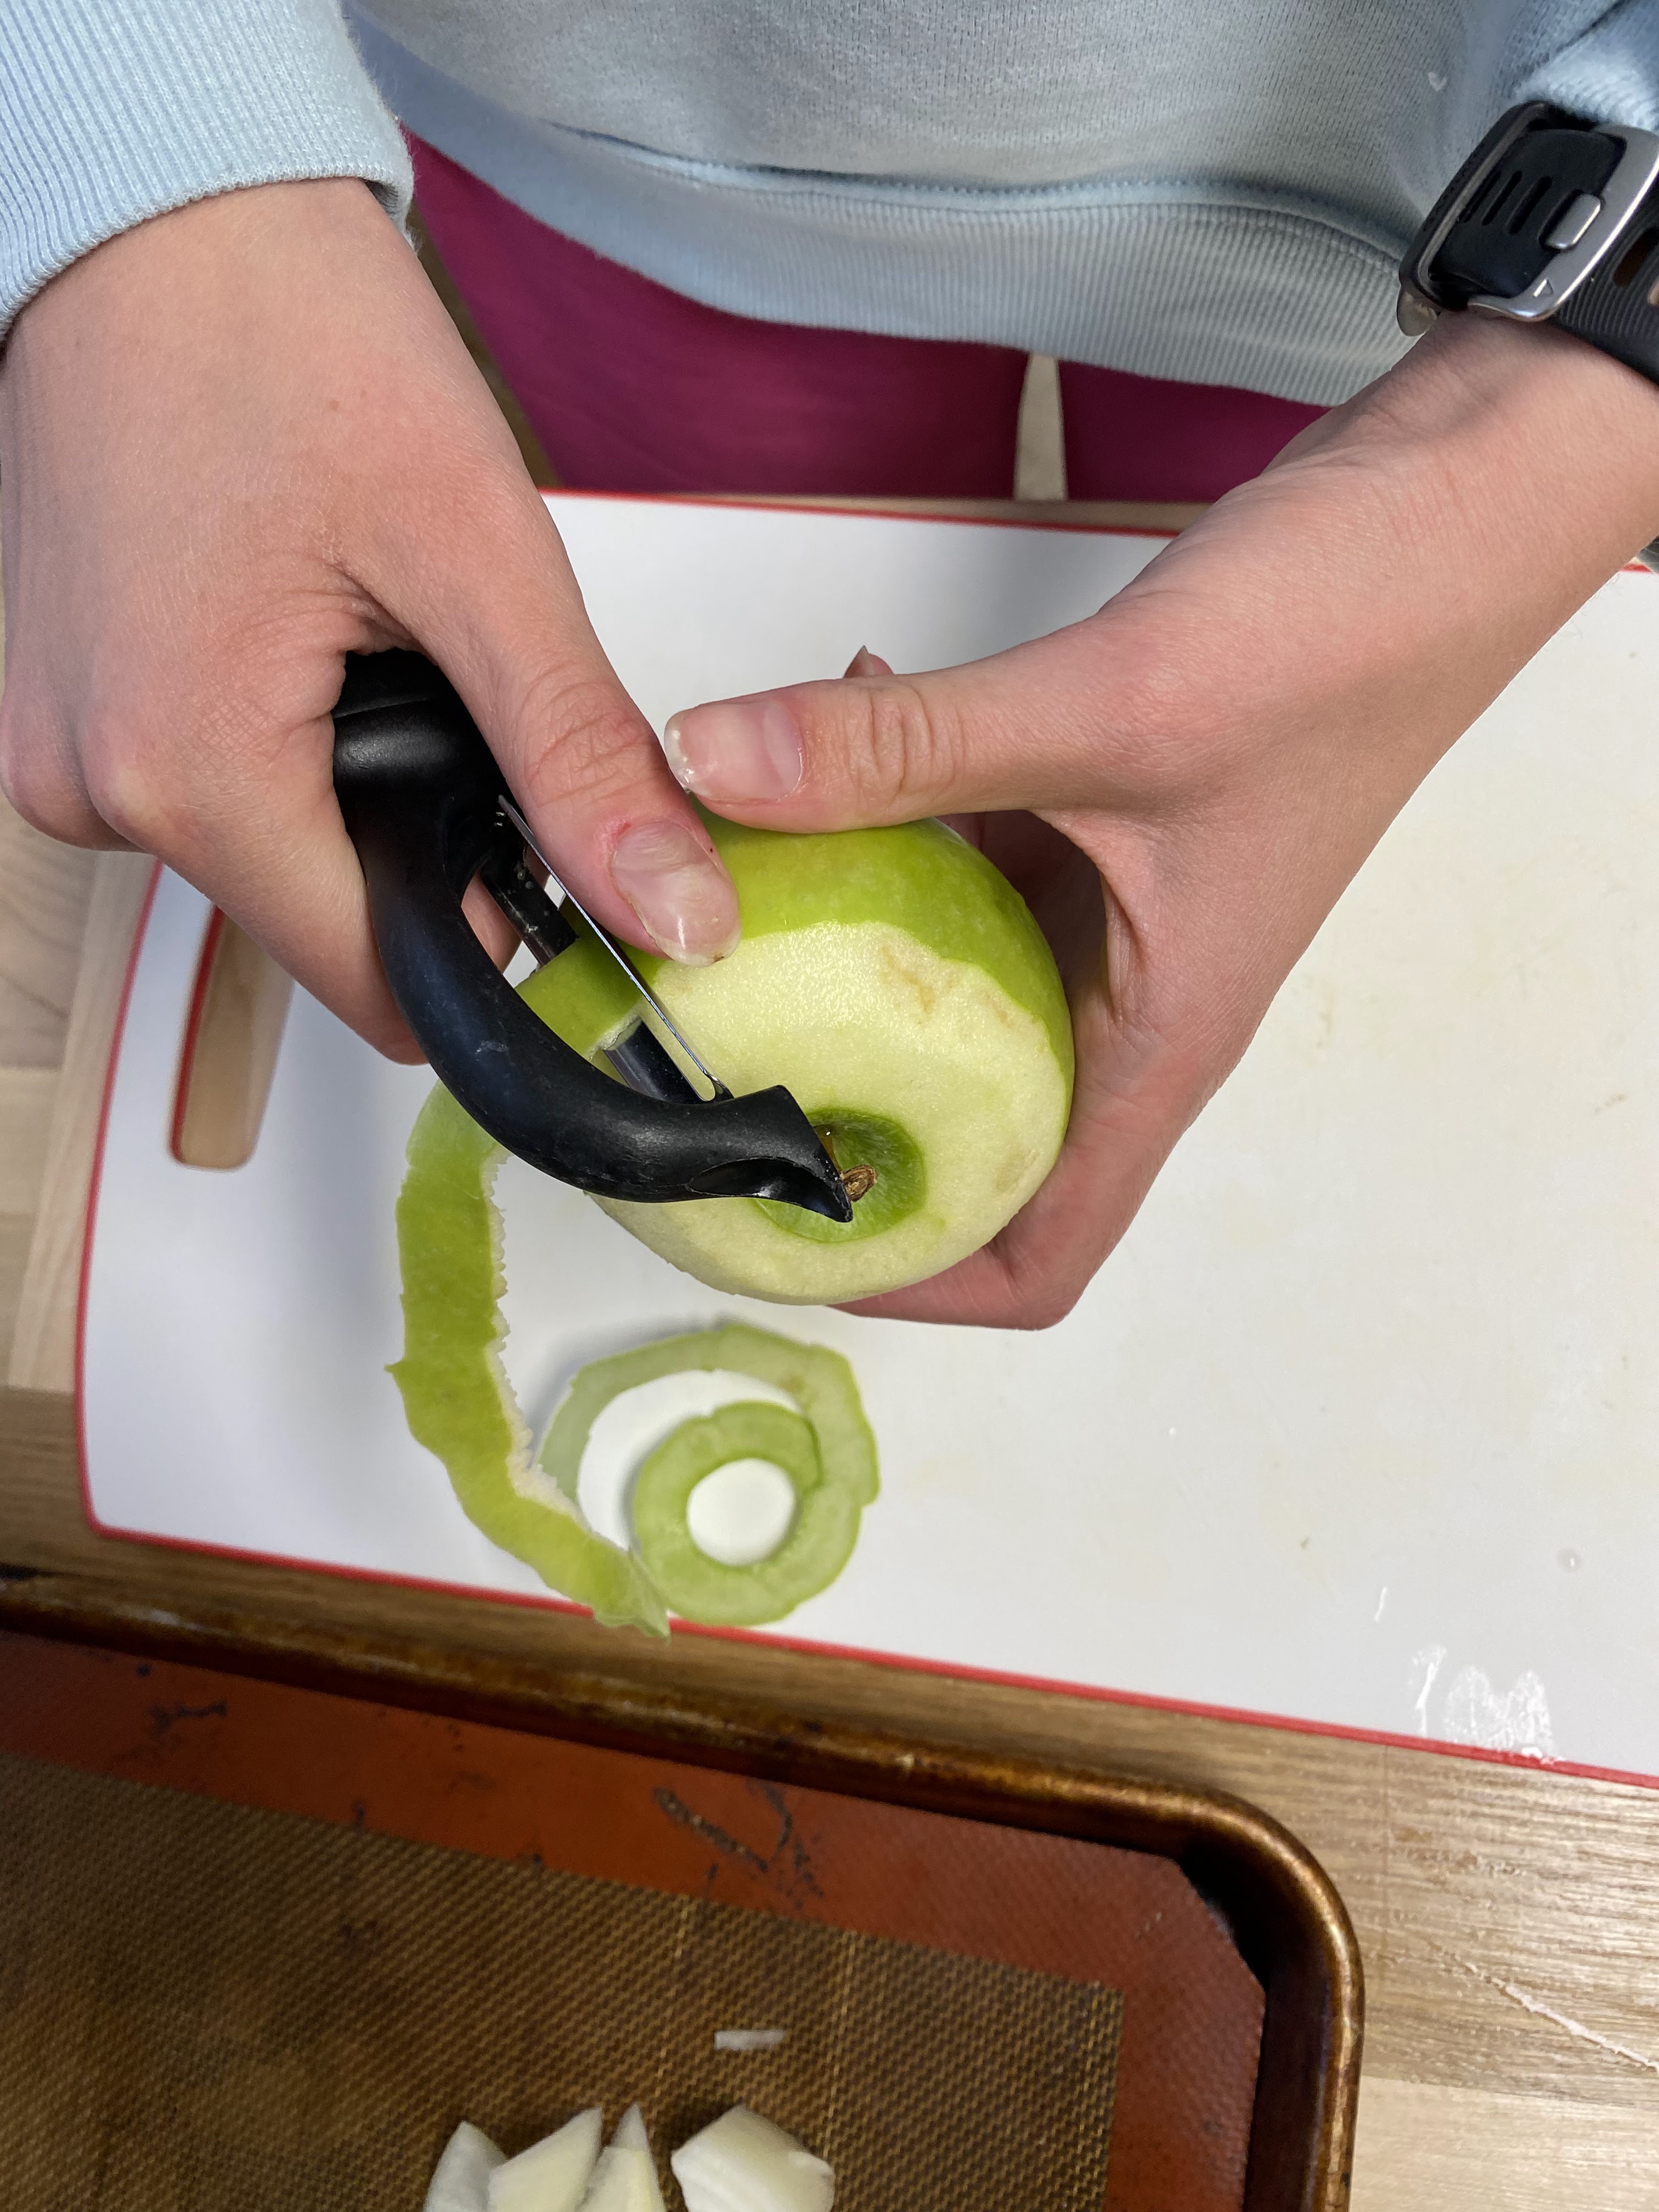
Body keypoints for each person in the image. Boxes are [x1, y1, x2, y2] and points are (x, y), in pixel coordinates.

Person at [3, 2, 1658, 1330]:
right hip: (612, 149)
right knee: (696, 512)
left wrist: (1598, 370)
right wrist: (127, 133)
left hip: (1460, 240)